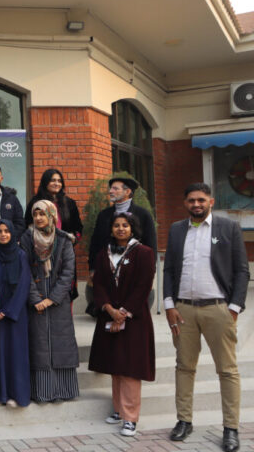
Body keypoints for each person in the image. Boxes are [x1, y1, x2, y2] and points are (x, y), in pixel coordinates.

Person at [162, 183, 249, 452]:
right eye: (191, 200)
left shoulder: (228, 228)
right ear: (185, 203)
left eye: (201, 200)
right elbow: (169, 270)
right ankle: (184, 420)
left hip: (218, 309)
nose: (196, 204)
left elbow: (242, 271)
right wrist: (168, 304)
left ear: (210, 201)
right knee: (184, 367)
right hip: (183, 310)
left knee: (227, 369)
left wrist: (234, 307)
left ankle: (231, 428)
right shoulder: (177, 229)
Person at [88, 212, 155, 437]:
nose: (120, 229)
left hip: (134, 319)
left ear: (132, 228)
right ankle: (118, 410)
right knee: (115, 366)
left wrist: (123, 313)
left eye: (125, 225)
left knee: (130, 369)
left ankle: (130, 418)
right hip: (109, 315)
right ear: (111, 229)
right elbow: (98, 285)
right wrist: (108, 309)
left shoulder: (144, 253)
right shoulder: (102, 254)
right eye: (116, 225)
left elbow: (143, 286)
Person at [20, 200, 79, 403]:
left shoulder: (64, 240)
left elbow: (68, 272)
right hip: (34, 300)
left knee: (60, 343)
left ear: (52, 216)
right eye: (35, 214)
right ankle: (43, 392)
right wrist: (36, 298)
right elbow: (24, 270)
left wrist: (52, 299)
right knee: (39, 345)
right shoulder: (27, 238)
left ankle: (63, 391)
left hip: (58, 301)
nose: (38, 218)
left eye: (42, 214)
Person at [0, 219, 31, 408]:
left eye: (6, 231)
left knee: (15, 354)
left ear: (12, 233)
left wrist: (8, 310)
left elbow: (24, 285)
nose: (3, 234)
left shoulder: (21, 255)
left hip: (15, 314)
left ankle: (16, 395)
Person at [88, 176, 156, 272]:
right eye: (110, 188)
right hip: (106, 271)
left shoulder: (143, 214)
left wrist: (149, 270)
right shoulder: (104, 215)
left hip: (135, 270)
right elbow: (95, 243)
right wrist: (92, 268)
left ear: (127, 192)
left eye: (115, 188)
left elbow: (151, 244)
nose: (110, 191)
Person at [24, 169, 82, 243]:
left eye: (59, 181)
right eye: (53, 180)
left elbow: (78, 227)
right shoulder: (35, 202)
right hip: (39, 248)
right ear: (45, 182)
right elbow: (27, 225)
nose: (56, 183)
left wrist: (72, 240)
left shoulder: (69, 203)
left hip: (64, 247)